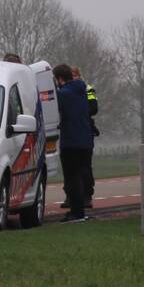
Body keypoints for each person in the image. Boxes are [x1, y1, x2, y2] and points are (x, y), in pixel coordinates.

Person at [54, 63, 92, 222]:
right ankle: (80, 209)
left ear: (60, 79)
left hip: (71, 141)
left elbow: (57, 113)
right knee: (81, 175)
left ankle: (76, 213)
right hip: (85, 139)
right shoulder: (81, 90)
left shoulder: (63, 94)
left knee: (72, 178)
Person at [61, 66, 98, 209]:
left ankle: (87, 196)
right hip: (70, 131)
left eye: (75, 75)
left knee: (84, 167)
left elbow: (94, 108)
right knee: (69, 169)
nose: (73, 78)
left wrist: (78, 113)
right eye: (71, 75)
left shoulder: (88, 89)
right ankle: (70, 196)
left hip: (84, 130)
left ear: (79, 75)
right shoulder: (64, 91)